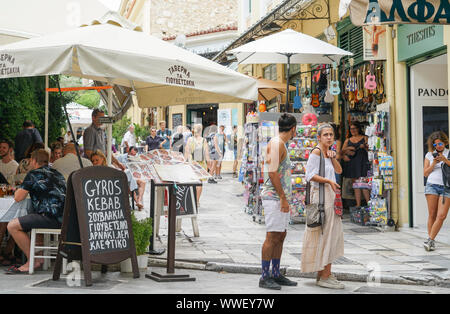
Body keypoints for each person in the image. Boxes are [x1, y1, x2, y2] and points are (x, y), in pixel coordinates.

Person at [6, 149, 66, 274]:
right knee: (33, 218)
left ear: (33, 161)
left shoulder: (33, 174)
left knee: (12, 226)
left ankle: (33, 260)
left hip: (50, 218)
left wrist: (22, 186)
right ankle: (37, 257)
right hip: (64, 219)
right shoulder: (57, 174)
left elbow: (18, 197)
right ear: (48, 160)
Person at [301, 124, 345, 289]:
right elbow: (309, 175)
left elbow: (339, 171)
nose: (328, 137)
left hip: (331, 196)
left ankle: (324, 274)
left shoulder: (328, 153)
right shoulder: (316, 152)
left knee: (330, 235)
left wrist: (333, 157)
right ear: (318, 137)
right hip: (322, 197)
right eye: (325, 135)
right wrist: (328, 181)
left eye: (331, 135)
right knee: (327, 235)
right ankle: (325, 276)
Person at [258, 113, 298, 290]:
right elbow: (273, 172)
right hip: (274, 197)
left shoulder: (281, 144)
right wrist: (282, 197)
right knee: (272, 236)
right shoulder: (276, 144)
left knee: (281, 235)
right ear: (293, 129)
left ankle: (275, 273)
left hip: (281, 197)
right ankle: (265, 276)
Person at [423, 131, 450, 251]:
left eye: (440, 143)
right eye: (435, 144)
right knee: (432, 215)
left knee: (442, 215)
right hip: (432, 186)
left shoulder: (448, 153)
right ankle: (431, 240)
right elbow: (425, 173)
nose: (438, 146)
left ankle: (430, 240)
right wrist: (434, 162)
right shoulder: (429, 155)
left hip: (446, 187)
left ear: (445, 142)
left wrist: (445, 160)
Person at [342, 122, 370, 207]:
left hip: (362, 163)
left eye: (354, 128)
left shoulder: (365, 138)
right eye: (351, 129)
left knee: (364, 184)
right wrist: (348, 148)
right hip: (353, 164)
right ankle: (358, 205)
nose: (352, 130)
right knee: (356, 185)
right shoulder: (348, 140)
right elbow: (341, 151)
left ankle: (369, 204)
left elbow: (370, 149)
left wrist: (365, 147)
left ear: (358, 129)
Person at [185, 124, 210, 207]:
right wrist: (209, 164)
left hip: (192, 163)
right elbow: (206, 154)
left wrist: (185, 161)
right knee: (199, 183)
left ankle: (191, 199)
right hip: (201, 164)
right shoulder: (203, 140)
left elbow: (187, 152)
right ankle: (197, 201)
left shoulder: (189, 139)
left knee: (192, 182)